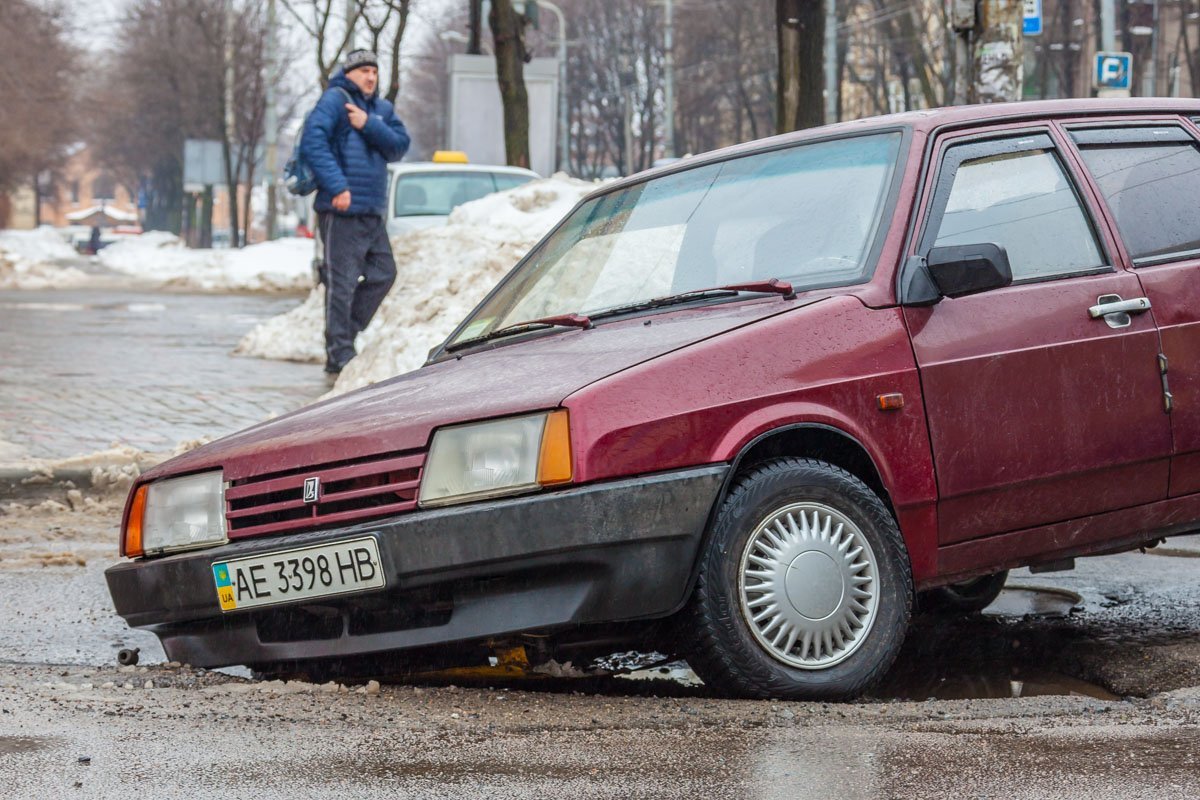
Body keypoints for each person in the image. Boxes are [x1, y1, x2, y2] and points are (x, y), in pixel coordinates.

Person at [301, 49, 411, 376]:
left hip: (371, 209)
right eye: (363, 70)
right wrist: (337, 187)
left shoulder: (381, 110)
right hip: (342, 208)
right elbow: (313, 143)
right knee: (343, 282)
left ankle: (345, 334)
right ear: (349, 73)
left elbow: (399, 146)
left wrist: (369, 124)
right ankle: (339, 353)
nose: (371, 77)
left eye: (374, 71)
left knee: (383, 273)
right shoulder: (334, 100)